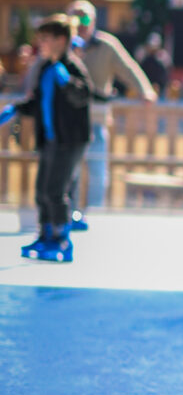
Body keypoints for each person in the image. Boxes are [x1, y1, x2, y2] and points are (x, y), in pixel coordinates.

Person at [5, 16, 112, 263]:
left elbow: (83, 95)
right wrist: (17, 109)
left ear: (61, 40)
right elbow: (37, 101)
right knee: (42, 189)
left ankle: (62, 240)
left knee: (56, 190)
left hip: (70, 140)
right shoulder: (45, 68)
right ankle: (45, 236)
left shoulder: (72, 67)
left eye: (45, 38)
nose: (40, 43)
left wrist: (67, 82)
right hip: (50, 139)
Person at [46, 0, 157, 226]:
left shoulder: (106, 45)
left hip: (95, 118)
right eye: (75, 18)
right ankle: (68, 215)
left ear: (94, 21)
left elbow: (128, 68)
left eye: (85, 18)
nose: (81, 23)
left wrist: (144, 90)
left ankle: (95, 214)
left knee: (97, 169)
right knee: (70, 171)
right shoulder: (62, 47)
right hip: (67, 120)